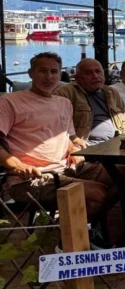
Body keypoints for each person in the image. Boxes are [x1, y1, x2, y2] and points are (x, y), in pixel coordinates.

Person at [0, 53, 116, 222]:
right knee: (97, 193)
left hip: (67, 167)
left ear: (60, 74)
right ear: (30, 73)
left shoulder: (64, 103)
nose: (49, 77)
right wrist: (17, 165)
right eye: (42, 71)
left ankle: (77, 225)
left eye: (54, 72)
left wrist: (74, 148)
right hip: (31, 178)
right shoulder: (10, 102)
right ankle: (64, 234)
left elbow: (69, 137)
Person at [56, 59, 125, 142]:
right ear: (77, 78)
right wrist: (74, 141)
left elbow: (123, 119)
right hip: (86, 144)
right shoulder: (66, 93)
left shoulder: (112, 92)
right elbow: (59, 125)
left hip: (115, 141)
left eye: (98, 71)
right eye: (88, 73)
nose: (95, 76)